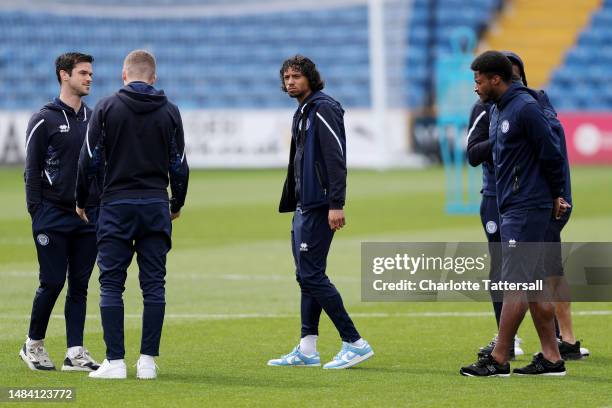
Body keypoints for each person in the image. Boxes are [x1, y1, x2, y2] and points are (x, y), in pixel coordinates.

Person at [76, 50, 189, 379]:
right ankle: (147, 363)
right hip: (155, 205)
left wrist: (83, 199)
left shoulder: (107, 108)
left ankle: (115, 362)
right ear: (153, 78)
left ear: (124, 75)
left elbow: (89, 160)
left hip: (116, 205)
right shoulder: (170, 111)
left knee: (111, 283)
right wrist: (176, 203)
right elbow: (179, 165)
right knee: (154, 285)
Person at [468, 51, 588, 361]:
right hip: (510, 203)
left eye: (479, 81)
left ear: (501, 79)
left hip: (525, 206)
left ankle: (500, 354)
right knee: (535, 281)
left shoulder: (525, 108)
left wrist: (558, 194)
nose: (475, 87)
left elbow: (551, 153)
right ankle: (552, 355)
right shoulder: (494, 111)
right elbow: (474, 152)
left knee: (518, 282)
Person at [267, 55, 373, 369]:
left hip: (319, 205)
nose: (290, 82)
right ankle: (307, 349)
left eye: (296, 77)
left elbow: (335, 156)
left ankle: (355, 342)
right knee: (306, 276)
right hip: (304, 204)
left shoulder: (323, 108)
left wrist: (335, 204)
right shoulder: (303, 111)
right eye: (286, 78)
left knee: (312, 274)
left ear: (310, 78)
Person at [20, 52, 101, 372]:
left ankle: (75, 352)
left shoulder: (95, 118)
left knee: (80, 285)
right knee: (52, 282)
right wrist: (36, 212)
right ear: (64, 75)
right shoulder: (44, 118)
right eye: (83, 73)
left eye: (91, 73)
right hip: (51, 216)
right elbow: (31, 170)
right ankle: (33, 344)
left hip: (86, 217)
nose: (89, 78)